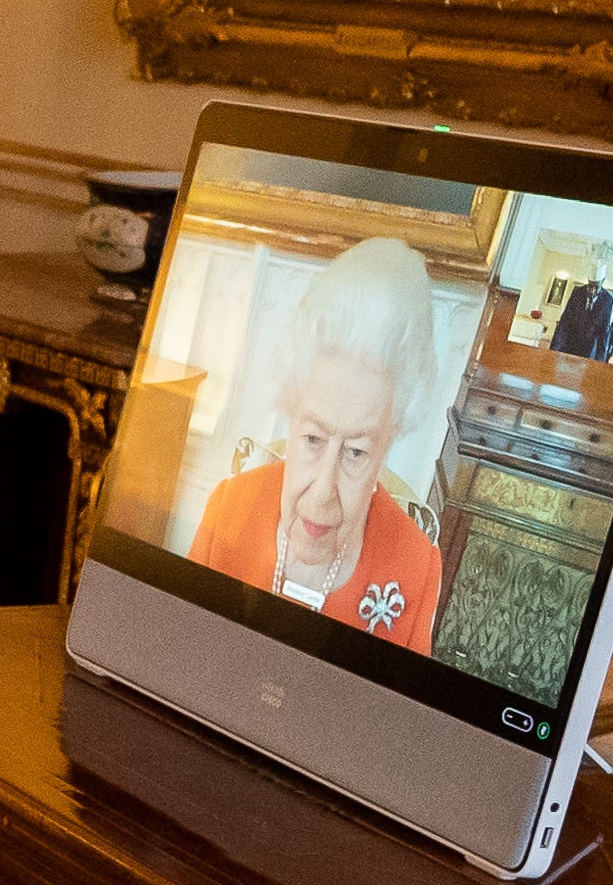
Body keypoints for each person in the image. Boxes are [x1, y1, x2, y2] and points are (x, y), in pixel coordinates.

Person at [189, 235, 448, 653]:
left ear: (389, 442)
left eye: (357, 452)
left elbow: (391, 717)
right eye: (312, 439)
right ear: (291, 412)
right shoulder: (228, 510)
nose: (324, 490)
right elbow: (181, 658)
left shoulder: (415, 568)